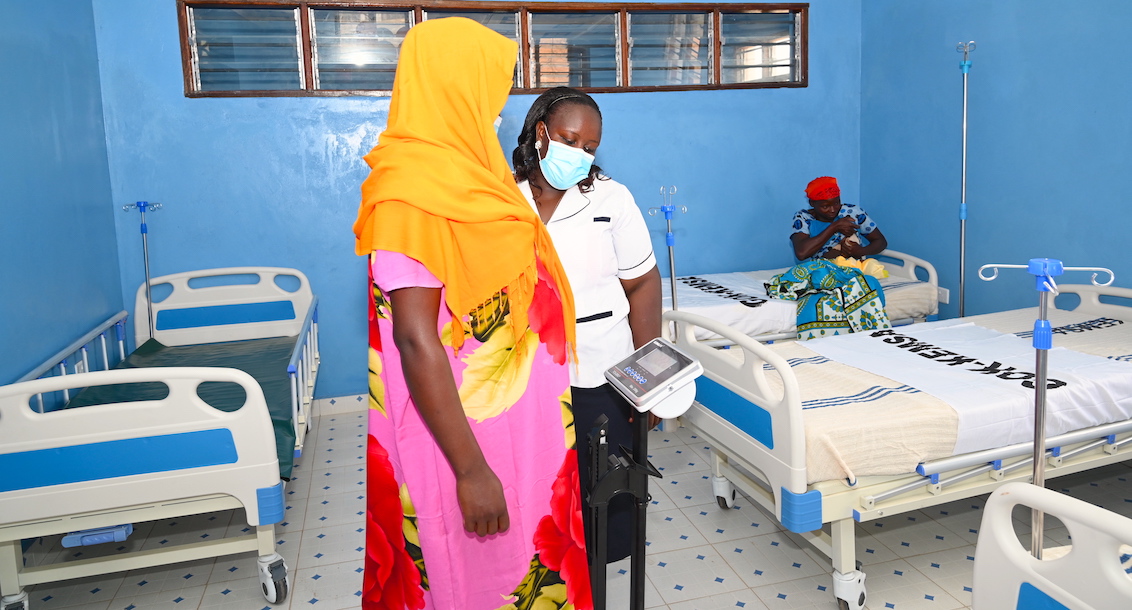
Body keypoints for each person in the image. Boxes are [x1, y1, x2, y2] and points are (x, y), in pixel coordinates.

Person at [353, 19, 591, 610]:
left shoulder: (478, 180)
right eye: (490, 91)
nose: (496, 108)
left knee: (526, 569)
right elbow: (414, 340)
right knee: (472, 578)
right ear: (452, 87)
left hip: (523, 434)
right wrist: (471, 472)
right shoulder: (411, 191)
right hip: (462, 442)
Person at [511, 87, 662, 567]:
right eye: (570, 140)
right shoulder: (502, 200)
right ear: (541, 133)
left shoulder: (611, 199)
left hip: (604, 373)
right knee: (541, 504)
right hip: (528, 378)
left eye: (590, 148)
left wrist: (649, 382)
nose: (580, 155)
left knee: (608, 507)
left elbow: (643, 285)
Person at [790, 176, 888, 261]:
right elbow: (801, 253)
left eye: (836, 203)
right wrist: (834, 227)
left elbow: (880, 241)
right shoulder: (804, 218)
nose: (832, 210)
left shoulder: (852, 212)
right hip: (822, 272)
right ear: (812, 203)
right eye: (825, 206)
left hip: (853, 268)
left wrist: (860, 251)